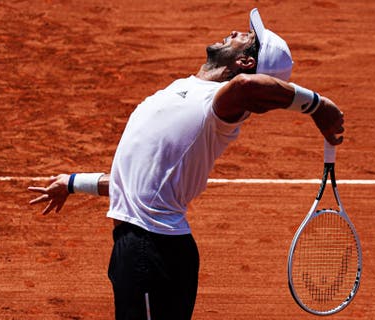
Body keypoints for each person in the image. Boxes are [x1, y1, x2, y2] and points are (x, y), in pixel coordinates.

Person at [28, 8, 344, 320]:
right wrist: (72, 183)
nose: (234, 32)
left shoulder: (217, 104)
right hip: (139, 248)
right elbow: (135, 184)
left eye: (245, 38)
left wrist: (317, 106)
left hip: (153, 251)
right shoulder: (187, 90)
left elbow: (248, 87)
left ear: (245, 63)